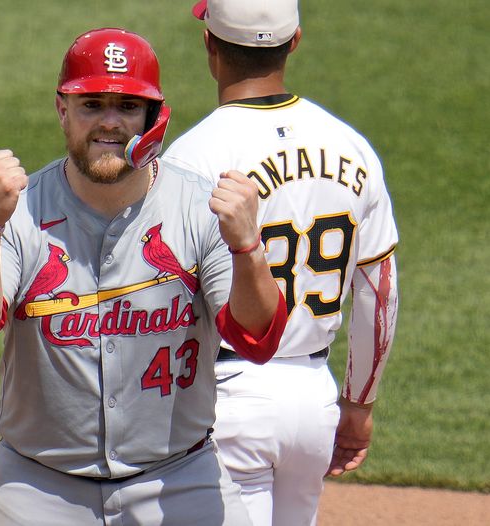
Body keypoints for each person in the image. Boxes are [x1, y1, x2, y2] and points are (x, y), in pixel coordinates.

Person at [0, 27, 289, 526]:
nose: (110, 122)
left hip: (179, 476)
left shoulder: (200, 209)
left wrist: (248, 248)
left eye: (127, 107)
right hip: (37, 486)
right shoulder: (16, 214)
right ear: (63, 110)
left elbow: (256, 338)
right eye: (92, 105)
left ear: (153, 118)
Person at [162, 1, 400, 525]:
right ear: (294, 42)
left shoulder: (191, 157)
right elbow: (378, 292)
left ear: (209, 46)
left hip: (226, 400)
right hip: (312, 402)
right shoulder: (352, 147)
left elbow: (166, 300)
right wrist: (358, 406)